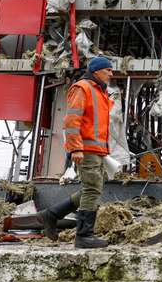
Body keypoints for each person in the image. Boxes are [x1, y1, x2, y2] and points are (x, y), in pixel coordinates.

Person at [39, 56, 114, 249]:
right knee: (92, 189)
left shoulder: (100, 92)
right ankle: (83, 236)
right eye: (108, 70)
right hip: (86, 149)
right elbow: (72, 121)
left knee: (92, 188)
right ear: (97, 71)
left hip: (96, 150)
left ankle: (51, 214)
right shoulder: (83, 88)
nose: (111, 74)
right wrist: (76, 148)